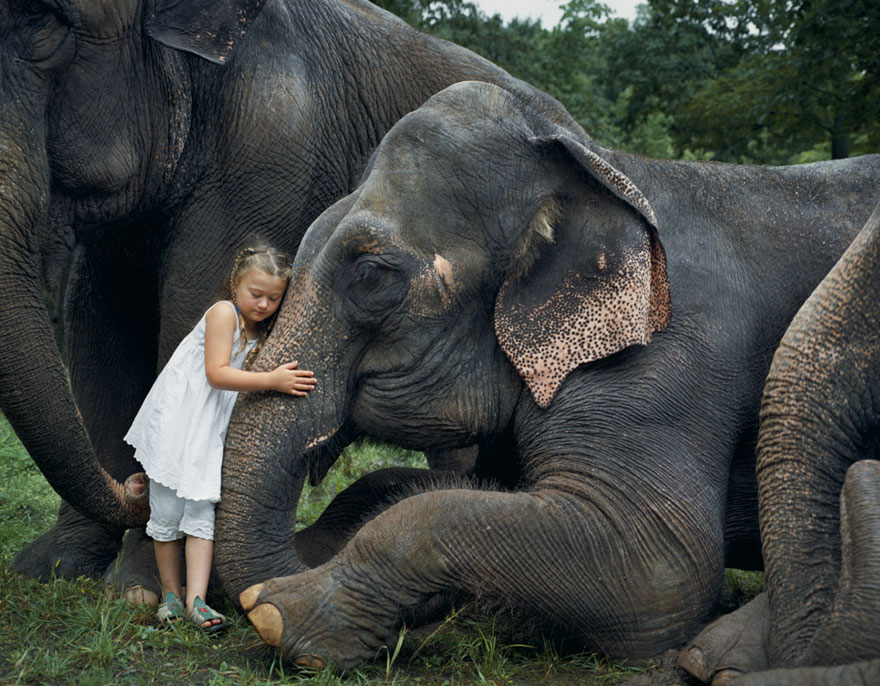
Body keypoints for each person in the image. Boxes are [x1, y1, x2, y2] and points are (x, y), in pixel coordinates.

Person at [124, 245, 316, 632]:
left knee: (201, 514)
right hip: (180, 423)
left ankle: (197, 601)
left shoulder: (263, 328)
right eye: (255, 294)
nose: (263, 304)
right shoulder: (223, 313)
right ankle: (171, 596)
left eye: (273, 298)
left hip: (208, 431)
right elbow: (216, 373)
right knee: (166, 513)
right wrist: (273, 380)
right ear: (235, 284)